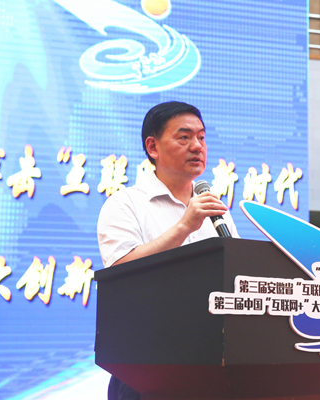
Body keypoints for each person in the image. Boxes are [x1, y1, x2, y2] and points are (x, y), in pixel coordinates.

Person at [97, 101, 239, 400]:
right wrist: (185, 225)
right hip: (147, 365)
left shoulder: (216, 211)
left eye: (201, 137)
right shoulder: (125, 203)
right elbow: (120, 271)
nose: (197, 146)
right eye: (184, 137)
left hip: (212, 363)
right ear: (153, 147)